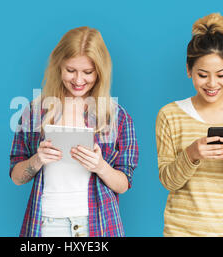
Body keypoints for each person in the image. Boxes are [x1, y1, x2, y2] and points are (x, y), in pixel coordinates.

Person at [9, 26, 139, 237]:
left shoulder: (117, 117)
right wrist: (37, 160)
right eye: (71, 70)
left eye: (88, 72)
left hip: (98, 225)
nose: (79, 80)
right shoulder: (34, 113)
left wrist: (100, 167)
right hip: (46, 224)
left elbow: (123, 184)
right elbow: (17, 177)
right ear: (58, 66)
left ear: (100, 71)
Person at [155, 13, 223, 236]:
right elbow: (168, 182)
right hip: (183, 231)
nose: (212, 84)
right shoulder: (170, 115)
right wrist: (192, 154)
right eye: (203, 75)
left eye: (221, 74)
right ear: (189, 70)